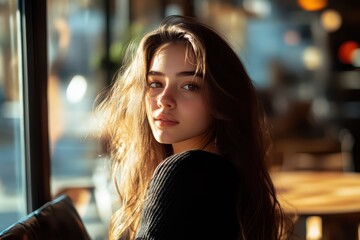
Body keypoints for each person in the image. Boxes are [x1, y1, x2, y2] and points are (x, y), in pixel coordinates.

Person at [96, 15, 291, 240]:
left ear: (221, 98)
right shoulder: (230, 173)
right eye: (155, 84)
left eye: (189, 86)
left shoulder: (184, 172)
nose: (164, 99)